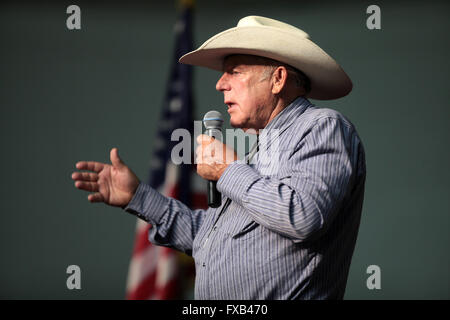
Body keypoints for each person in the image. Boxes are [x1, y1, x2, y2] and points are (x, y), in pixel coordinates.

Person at [72, 16, 366, 299]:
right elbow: (211, 240)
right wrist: (137, 197)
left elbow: (303, 216)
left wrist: (228, 170)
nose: (220, 84)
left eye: (234, 71)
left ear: (277, 79)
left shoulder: (323, 126)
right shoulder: (257, 147)